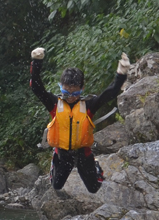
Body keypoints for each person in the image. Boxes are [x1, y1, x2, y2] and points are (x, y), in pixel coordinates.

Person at [30, 47, 129, 193]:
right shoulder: (54, 104)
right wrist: (36, 62)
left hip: (83, 152)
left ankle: (95, 166)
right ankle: (55, 164)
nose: (70, 96)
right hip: (63, 153)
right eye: (66, 91)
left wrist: (121, 73)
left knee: (94, 189)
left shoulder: (88, 105)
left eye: (74, 92)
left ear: (82, 88)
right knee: (56, 186)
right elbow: (36, 88)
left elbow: (111, 92)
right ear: (61, 87)